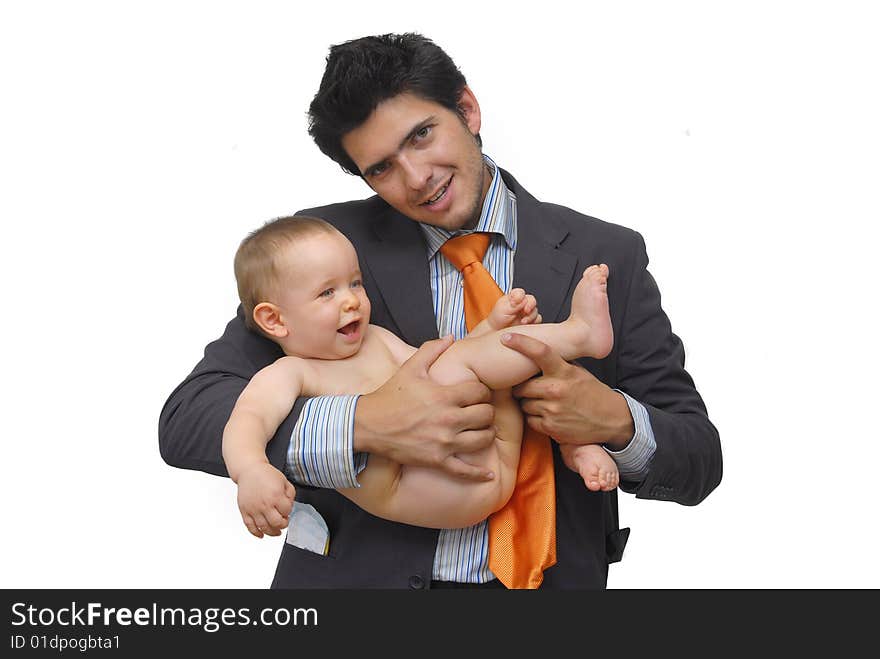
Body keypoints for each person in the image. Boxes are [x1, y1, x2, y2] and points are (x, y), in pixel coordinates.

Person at [159, 33, 722, 589]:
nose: (416, 178)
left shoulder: (606, 254)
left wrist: (616, 422)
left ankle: (575, 336)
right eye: (380, 168)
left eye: (422, 135)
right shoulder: (323, 255)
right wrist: (365, 424)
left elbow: (698, 458)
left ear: (468, 110)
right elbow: (190, 417)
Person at [222, 215, 619, 536]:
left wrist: (490, 328)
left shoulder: (375, 338)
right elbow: (248, 420)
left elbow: (441, 364)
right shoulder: (292, 372)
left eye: (355, 283)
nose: (352, 300)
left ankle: (574, 441)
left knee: (500, 376)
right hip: (422, 487)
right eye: (327, 293)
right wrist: (251, 470)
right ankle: (578, 334)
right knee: (468, 367)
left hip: (493, 456)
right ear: (274, 319)